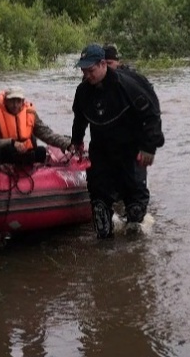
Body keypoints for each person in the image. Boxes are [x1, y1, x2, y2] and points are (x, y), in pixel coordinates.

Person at [69, 44, 164, 239]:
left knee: (136, 210)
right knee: (100, 210)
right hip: (101, 150)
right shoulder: (83, 92)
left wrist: (149, 147)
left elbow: (151, 116)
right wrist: (76, 142)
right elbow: (79, 120)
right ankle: (106, 255)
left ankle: (134, 251)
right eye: (83, 70)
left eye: (91, 70)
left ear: (103, 64)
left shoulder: (127, 86)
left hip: (131, 149)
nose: (87, 75)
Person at [0, 86, 71, 163]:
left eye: (18, 101)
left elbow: (47, 134)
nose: (15, 105)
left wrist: (68, 144)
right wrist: (11, 142)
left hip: (25, 152)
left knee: (41, 151)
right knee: (4, 152)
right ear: (6, 101)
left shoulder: (30, 114)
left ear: (23, 102)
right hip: (5, 152)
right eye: (12, 101)